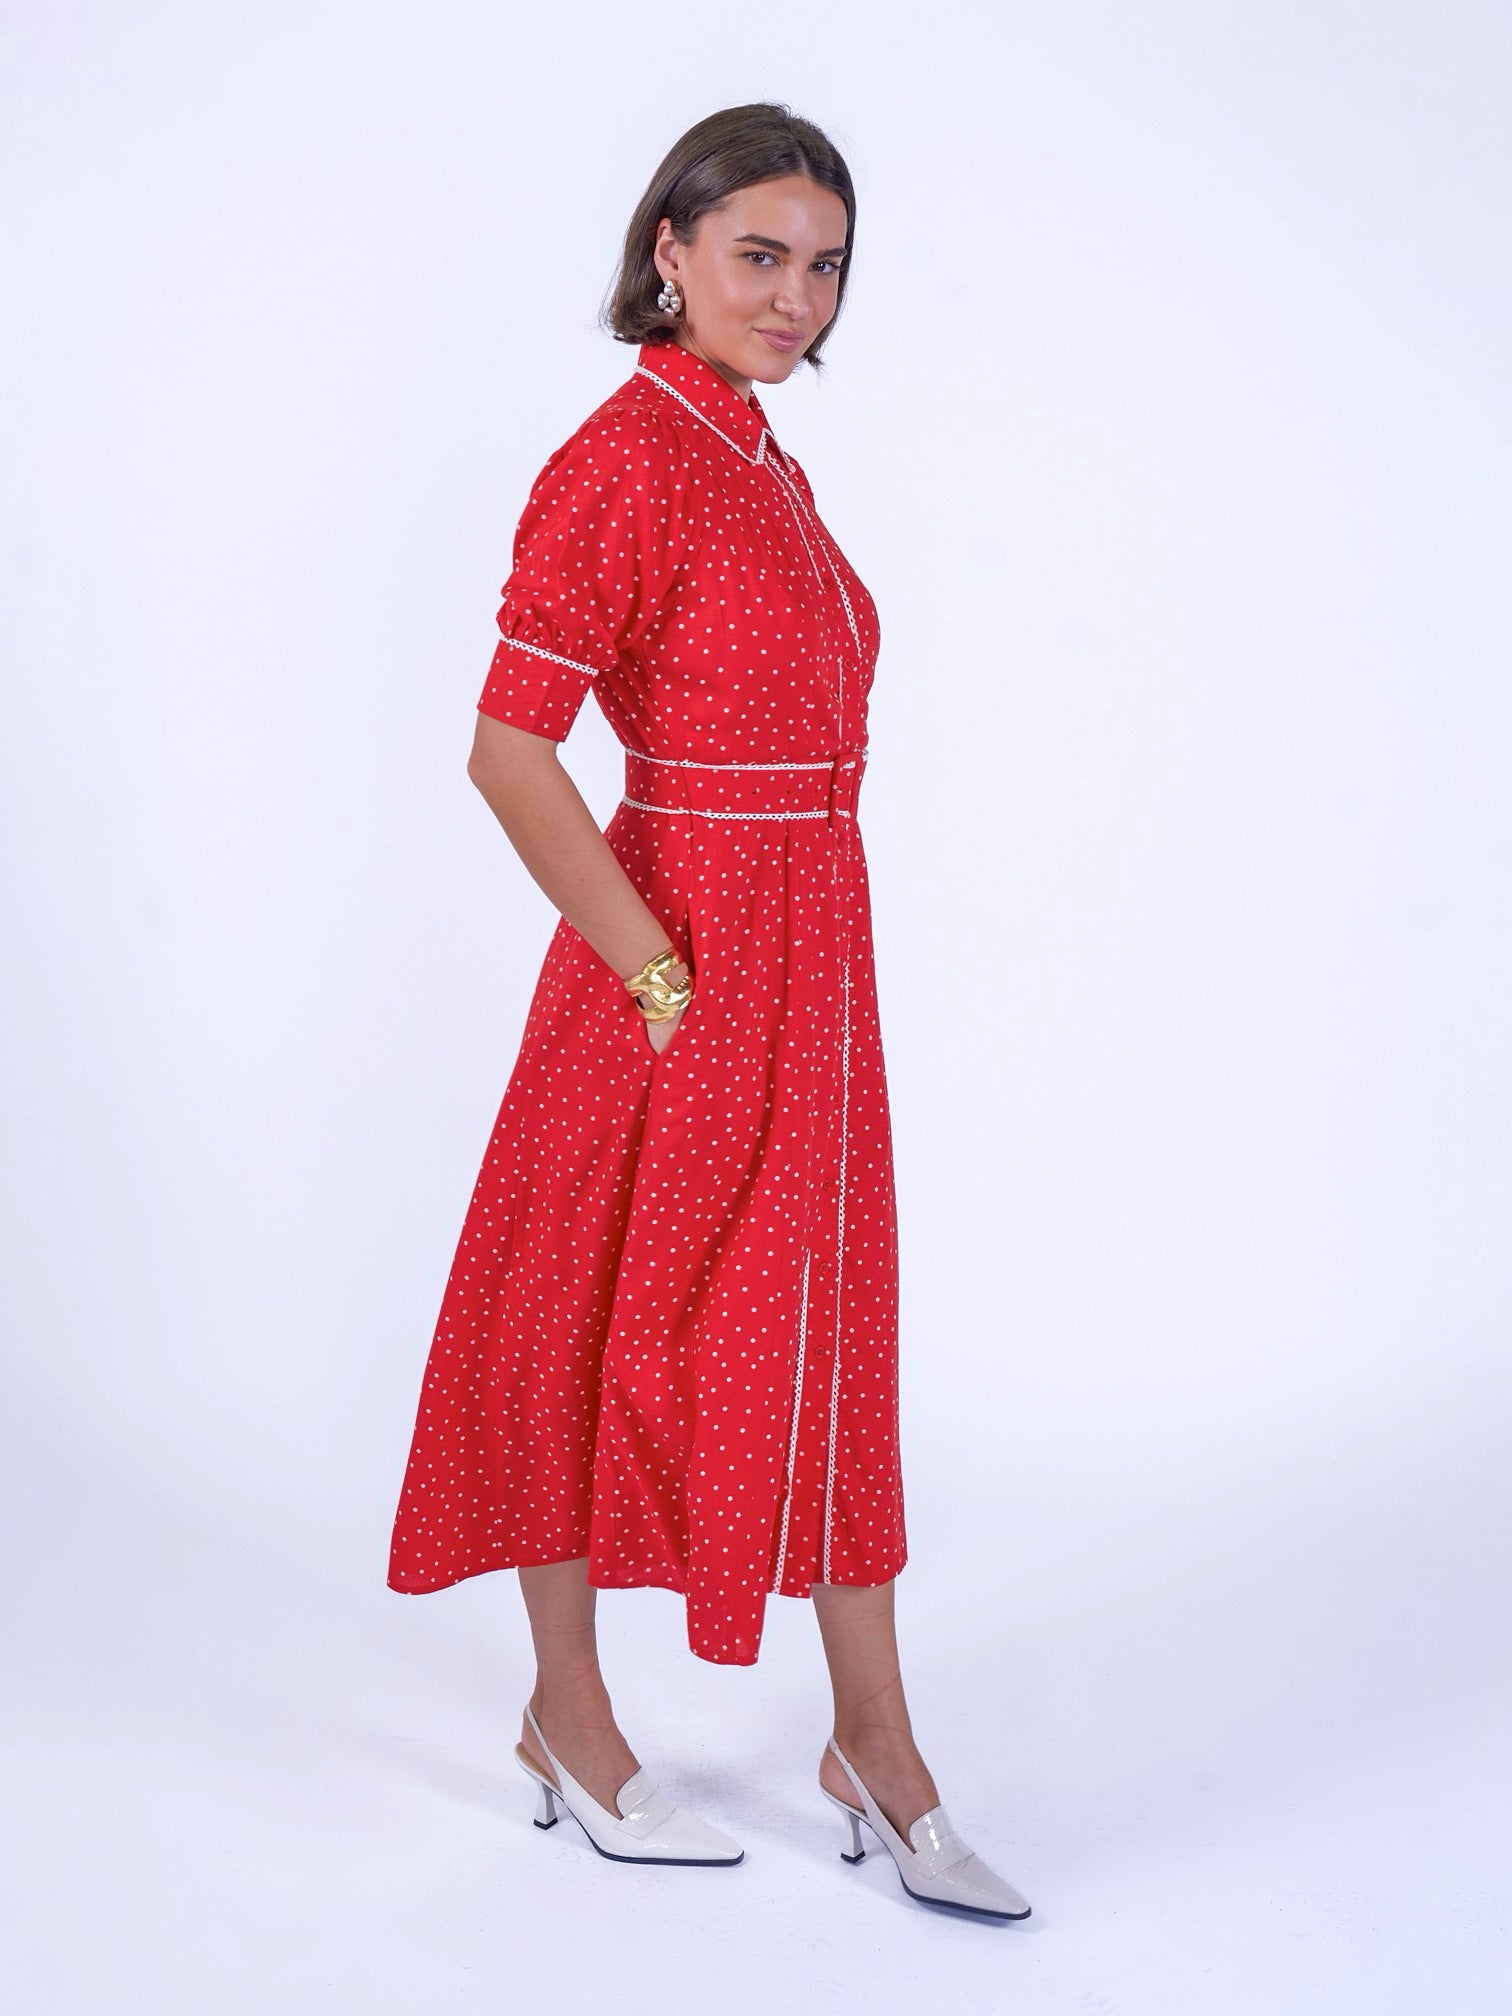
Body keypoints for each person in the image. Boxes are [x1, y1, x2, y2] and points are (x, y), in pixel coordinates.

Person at [387, 102, 1031, 1920]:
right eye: (758, 254)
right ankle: (570, 1718)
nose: (794, 295)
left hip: (815, 956)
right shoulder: (621, 462)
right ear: (666, 254)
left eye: (824, 266)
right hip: (671, 959)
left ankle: (875, 1741)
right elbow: (510, 753)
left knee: (824, 1325)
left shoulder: (759, 461)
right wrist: (658, 971)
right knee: (587, 1313)